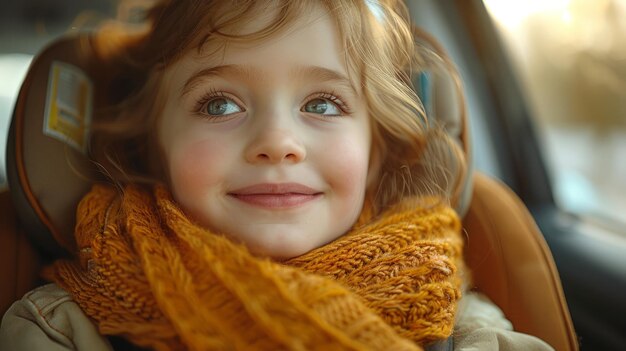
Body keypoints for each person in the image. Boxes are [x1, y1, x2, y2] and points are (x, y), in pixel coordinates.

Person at [0, 0, 554, 350]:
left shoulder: (456, 323)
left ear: (376, 152)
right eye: (218, 105)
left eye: (323, 104)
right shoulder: (62, 329)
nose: (278, 143)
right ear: (153, 149)